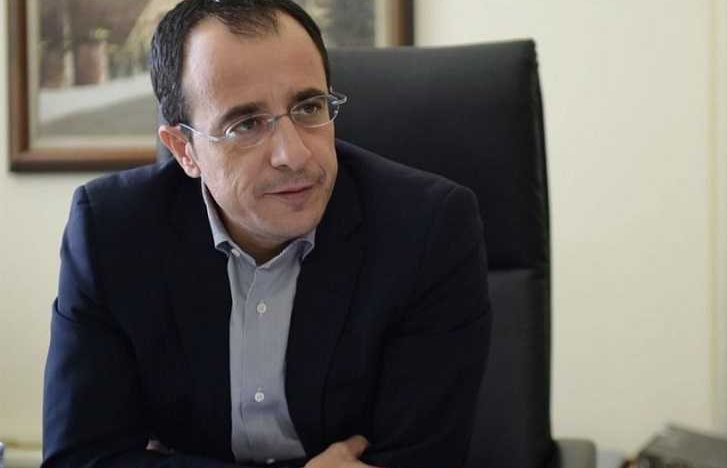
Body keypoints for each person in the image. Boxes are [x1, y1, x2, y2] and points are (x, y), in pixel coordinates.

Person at [42, 1, 492, 467]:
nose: (293, 155)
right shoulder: (111, 232)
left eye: (309, 107)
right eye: (246, 124)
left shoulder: (428, 229)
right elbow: (81, 458)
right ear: (184, 150)